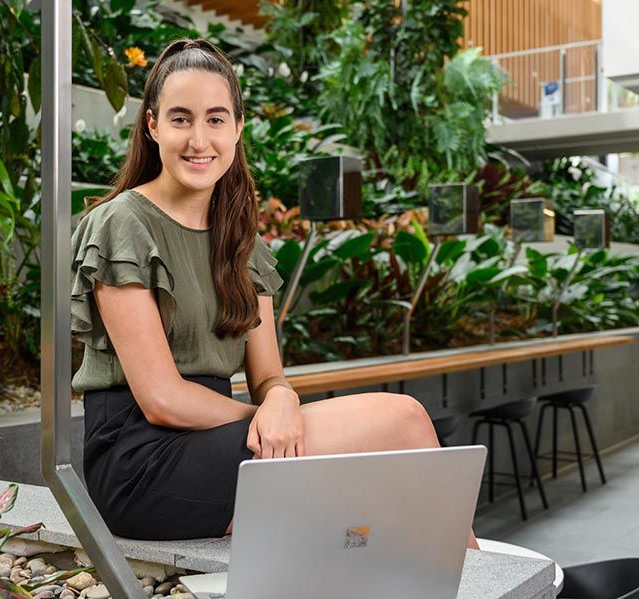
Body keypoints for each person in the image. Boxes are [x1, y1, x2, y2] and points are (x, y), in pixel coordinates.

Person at [71, 38, 479, 548]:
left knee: (381, 507)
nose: (200, 139)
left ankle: (457, 578)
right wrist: (271, 418)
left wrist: (281, 399)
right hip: (141, 463)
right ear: (152, 126)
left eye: (216, 119)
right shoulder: (120, 224)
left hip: (216, 442)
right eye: (180, 119)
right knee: (402, 421)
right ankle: (487, 582)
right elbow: (161, 399)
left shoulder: (242, 242)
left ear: (238, 129)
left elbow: (267, 375)